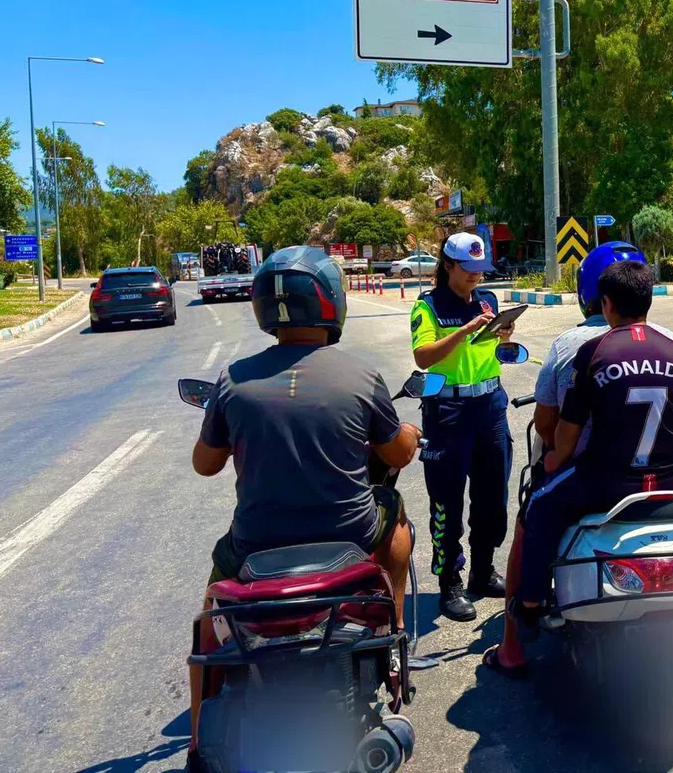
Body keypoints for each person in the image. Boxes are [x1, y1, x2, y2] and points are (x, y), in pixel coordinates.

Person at [186, 246, 420, 773]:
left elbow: (205, 465)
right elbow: (399, 454)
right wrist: (407, 432)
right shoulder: (360, 377)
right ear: (332, 302)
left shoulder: (233, 380)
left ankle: (198, 745)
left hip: (255, 547)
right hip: (349, 540)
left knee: (208, 622)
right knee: (397, 523)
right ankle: (393, 639)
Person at [482, 242, 673, 677]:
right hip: (664, 476)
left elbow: (550, 425)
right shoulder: (671, 341)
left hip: (596, 478)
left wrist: (552, 460)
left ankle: (515, 642)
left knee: (531, 519)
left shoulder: (572, 344)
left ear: (594, 295)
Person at [513, 260, 673, 628]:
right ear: (649, 300)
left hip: (606, 482)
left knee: (540, 507)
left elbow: (568, 431)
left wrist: (553, 461)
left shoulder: (594, 352)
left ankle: (530, 603)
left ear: (606, 303)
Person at [410, 231, 515, 621]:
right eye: (468, 269)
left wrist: (503, 336)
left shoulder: (487, 302)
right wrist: (465, 331)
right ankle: (449, 582)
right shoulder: (428, 306)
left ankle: (482, 570)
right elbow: (423, 356)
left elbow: (495, 353)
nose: (476, 276)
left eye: (480, 269)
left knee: (493, 496)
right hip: (447, 410)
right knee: (447, 501)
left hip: (490, 405)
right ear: (448, 265)